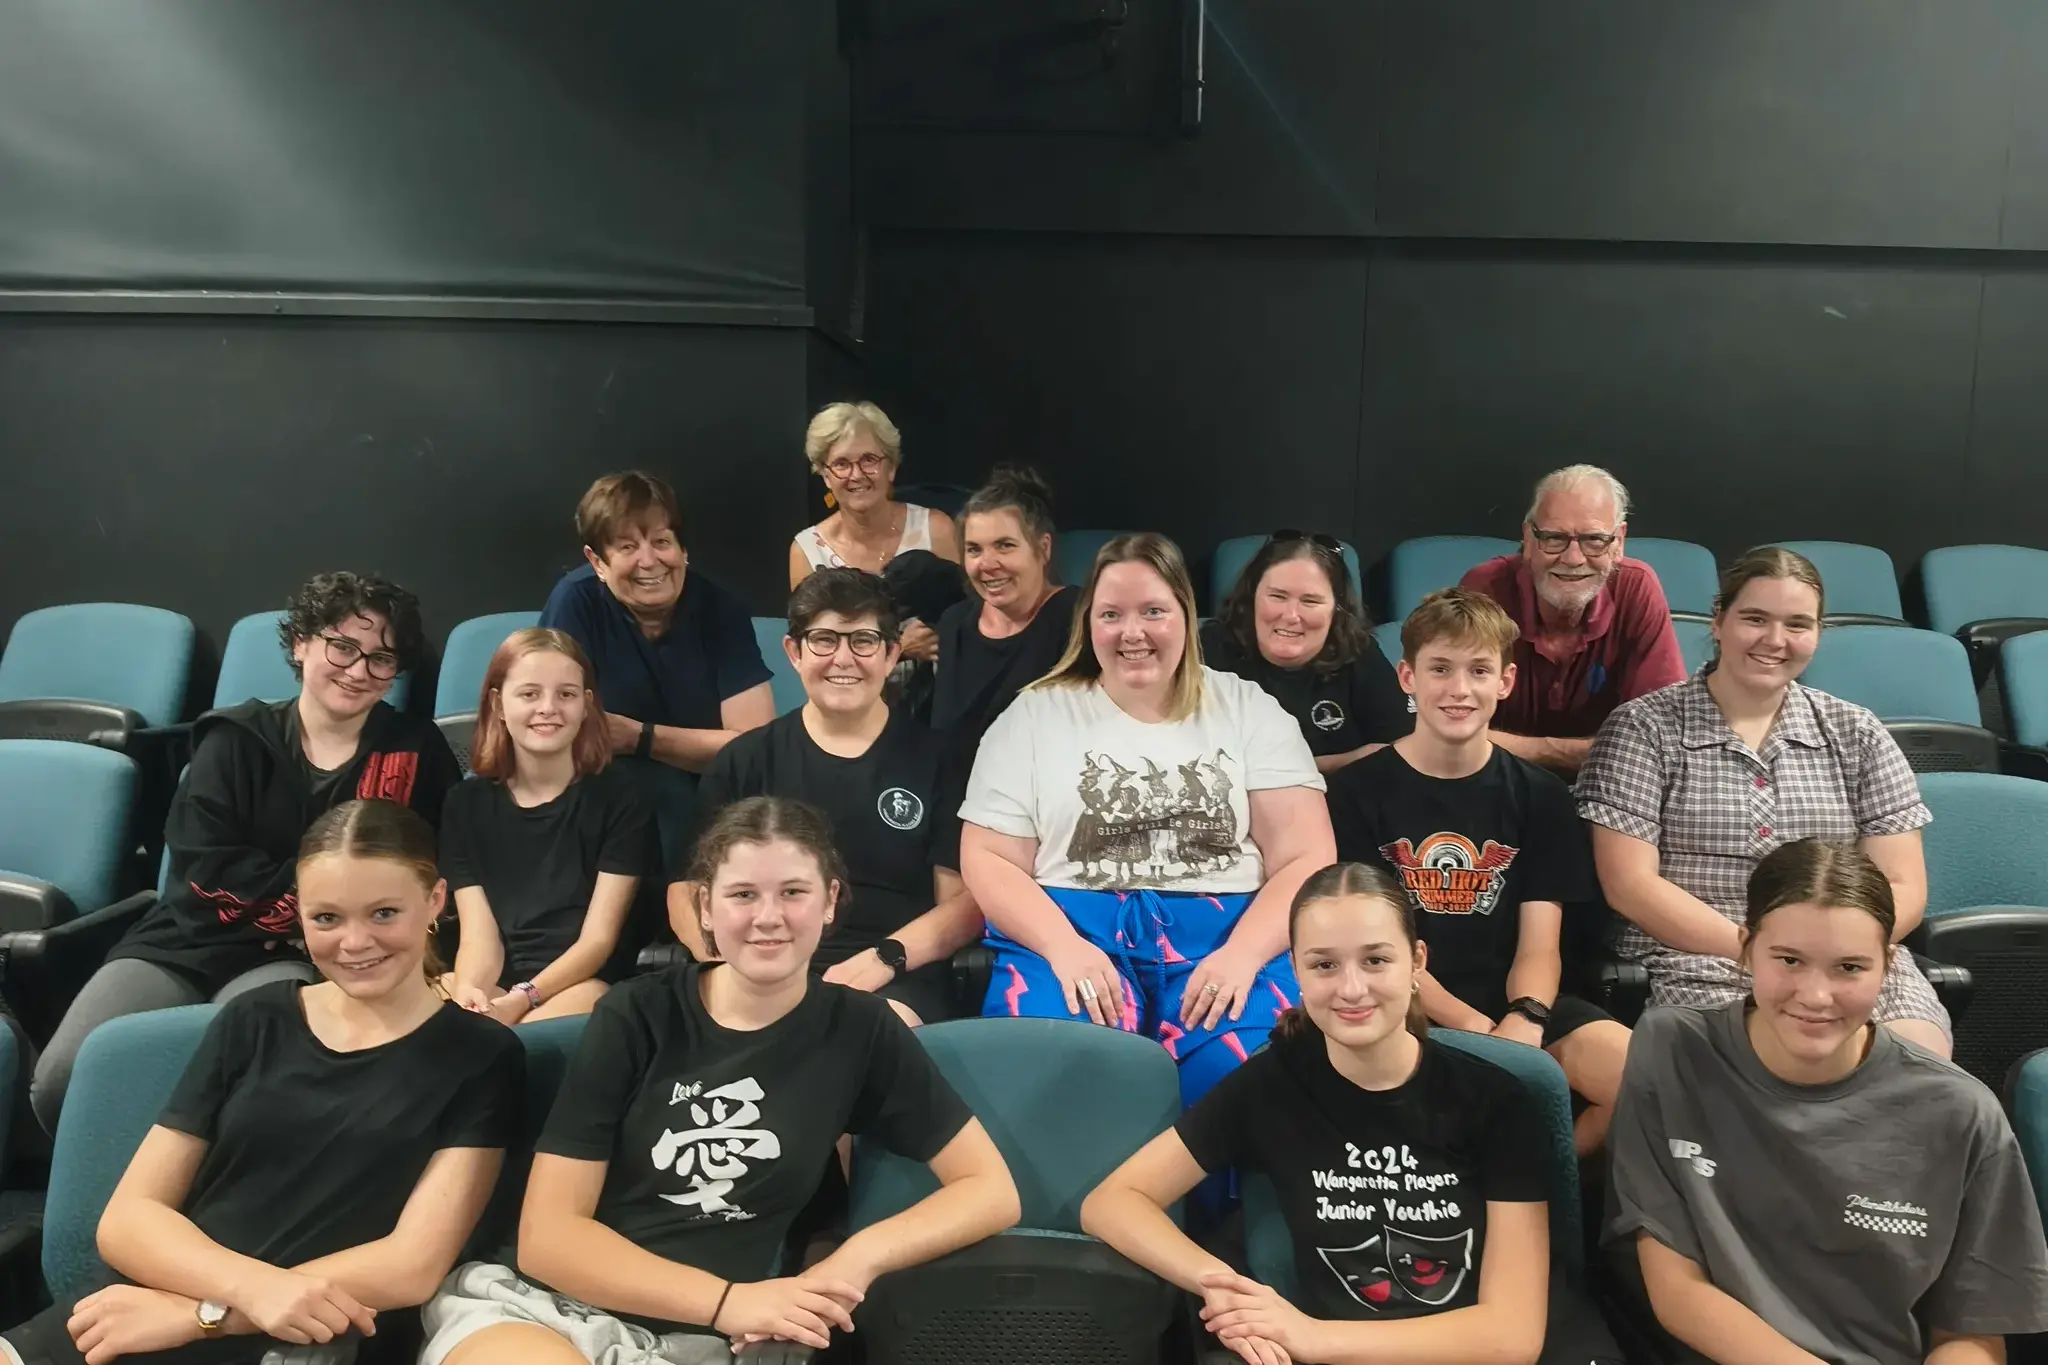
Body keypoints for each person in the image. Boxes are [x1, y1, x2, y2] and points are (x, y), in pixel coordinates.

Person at [420, 796, 1020, 1365]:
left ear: (830, 900)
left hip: (707, 1344)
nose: (768, 917)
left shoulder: (860, 1028)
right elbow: (548, 1238)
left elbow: (990, 1191)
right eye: (742, 895)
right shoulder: (637, 1013)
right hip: (548, 1313)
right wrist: (726, 1302)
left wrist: (854, 1261)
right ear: (706, 907)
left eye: (793, 892)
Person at [1, 799, 524, 1365]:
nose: (354, 942)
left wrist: (203, 1319)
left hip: (305, 1335)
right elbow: (128, 1219)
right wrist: (240, 1293)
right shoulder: (255, 1017)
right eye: (327, 919)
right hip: (141, 1308)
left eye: (383, 913)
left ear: (435, 901)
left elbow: (411, 1266)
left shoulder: (481, 1055)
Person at [1081, 862, 1620, 1365]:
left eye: (1376, 960)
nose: (1351, 989)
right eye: (1324, 965)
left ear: (1417, 962)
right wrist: (1226, 1289)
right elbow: (1113, 1202)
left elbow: (1510, 1336)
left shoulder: (1499, 1098)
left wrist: (1312, 1336)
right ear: (1296, 970)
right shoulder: (1272, 1084)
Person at [30, 572, 463, 1132]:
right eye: (343, 647)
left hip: (303, 954)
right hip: (185, 939)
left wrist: (321, 918)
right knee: (66, 1077)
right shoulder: (233, 738)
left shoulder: (415, 750)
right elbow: (206, 871)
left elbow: (424, 867)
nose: (359, 671)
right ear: (302, 644)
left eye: (381, 658)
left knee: (235, 1079)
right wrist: (326, 901)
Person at [1606, 838, 2048, 1365]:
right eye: (1789, 960)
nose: (1816, 996)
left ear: (1888, 966)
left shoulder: (1962, 1111)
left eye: (1850, 968)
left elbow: (1973, 1332)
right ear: (1746, 949)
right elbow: (1677, 1290)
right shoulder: (1672, 1050)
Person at [960, 532, 1335, 1106]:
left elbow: (1308, 856)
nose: (1131, 632)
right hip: (1070, 929)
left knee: (1248, 1075)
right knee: (1057, 1074)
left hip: (1227, 933)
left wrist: (1241, 955)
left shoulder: (1249, 709)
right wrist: (1064, 948)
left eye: (1153, 611)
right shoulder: (1033, 715)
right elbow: (987, 859)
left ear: (1185, 614)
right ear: (1089, 623)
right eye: (1111, 614)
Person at [1578, 546, 1952, 1057]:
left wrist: (1836, 953)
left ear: (1818, 634)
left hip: (1846, 959)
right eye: (1755, 618)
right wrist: (1764, 952)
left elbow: (1903, 884)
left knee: (1915, 1060)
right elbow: (1630, 886)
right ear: (1718, 622)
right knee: (1766, 1067)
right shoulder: (1643, 727)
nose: (1775, 640)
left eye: (1797, 624)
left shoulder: (1858, 731)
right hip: (1701, 959)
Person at [1328, 590, 1629, 1152]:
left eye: (1479, 671)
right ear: (1407, 677)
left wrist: (1526, 1018)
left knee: (1645, 1083)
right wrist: (1473, 1028)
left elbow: (1540, 944)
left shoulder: (1541, 795)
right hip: (1403, 1002)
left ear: (1506, 681)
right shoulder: (1355, 793)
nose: (1460, 689)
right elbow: (1373, 947)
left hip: (1520, 1002)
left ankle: (1544, 1181)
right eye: (1440, 668)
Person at [671, 570, 981, 1026]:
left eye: (863, 641)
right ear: (793, 652)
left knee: (860, 1032)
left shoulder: (943, 760)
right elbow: (686, 889)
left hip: (894, 973)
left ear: (892, 654)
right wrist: (722, 962)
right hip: (760, 961)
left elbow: (962, 904)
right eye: (824, 640)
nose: (843, 659)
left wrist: (885, 958)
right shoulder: (744, 760)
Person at [540, 471, 775, 865]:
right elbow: (559, 725)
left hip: (711, 790)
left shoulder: (721, 610)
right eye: (627, 546)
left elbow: (754, 748)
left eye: (662, 542)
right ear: (597, 562)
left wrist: (639, 737)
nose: (649, 561)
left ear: (684, 550)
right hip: (601, 788)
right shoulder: (575, 603)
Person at [439, 628, 655, 1025]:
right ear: (498, 704)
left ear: (586, 705)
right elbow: (479, 936)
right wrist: (472, 996)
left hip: (581, 982)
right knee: (433, 1000)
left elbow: (598, 940)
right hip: (500, 984)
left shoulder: (621, 797)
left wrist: (523, 999)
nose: (548, 708)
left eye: (566, 695)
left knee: (576, 1009)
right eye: (529, 694)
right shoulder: (464, 804)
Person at [1459, 465, 1685, 772]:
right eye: (1554, 538)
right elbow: (1452, 732)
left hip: (1608, 786)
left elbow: (1662, 738)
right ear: (1528, 538)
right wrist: (1599, 750)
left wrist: (1523, 748)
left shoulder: (1637, 587)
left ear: (1618, 542)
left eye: (1594, 539)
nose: (1573, 559)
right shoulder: (1485, 589)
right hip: (1498, 779)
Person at [1201, 531, 1407, 773]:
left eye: (1310, 601)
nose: (1291, 616)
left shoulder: (1359, 652)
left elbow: (1403, 752)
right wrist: (1336, 762)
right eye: (1277, 596)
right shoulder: (1212, 648)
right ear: (1251, 597)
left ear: (1337, 609)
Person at [788, 401, 959, 667]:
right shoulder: (807, 551)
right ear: (825, 476)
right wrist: (898, 649)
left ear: (891, 467)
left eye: (869, 460)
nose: (857, 475)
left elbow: (970, 621)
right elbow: (812, 654)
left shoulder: (936, 529)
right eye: (841, 464)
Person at [930, 465, 1079, 765]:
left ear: (1043, 548)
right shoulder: (955, 623)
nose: (987, 564)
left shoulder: (1080, 617)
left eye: (1005, 546)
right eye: (974, 550)